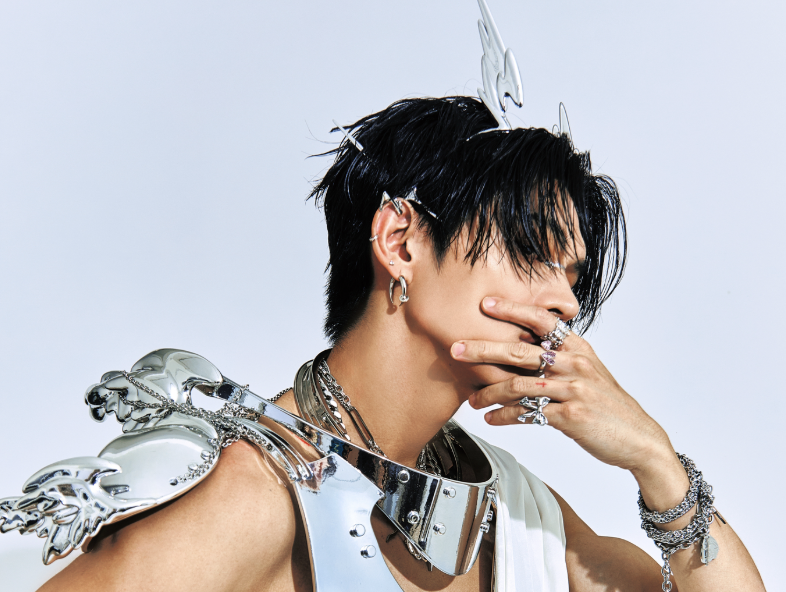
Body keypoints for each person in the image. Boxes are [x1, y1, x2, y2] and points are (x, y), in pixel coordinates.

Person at [0, 2, 767, 591]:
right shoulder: (256, 498)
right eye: (532, 251)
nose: (565, 303)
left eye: (573, 276)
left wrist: (653, 460)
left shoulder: (513, 516)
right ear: (400, 242)